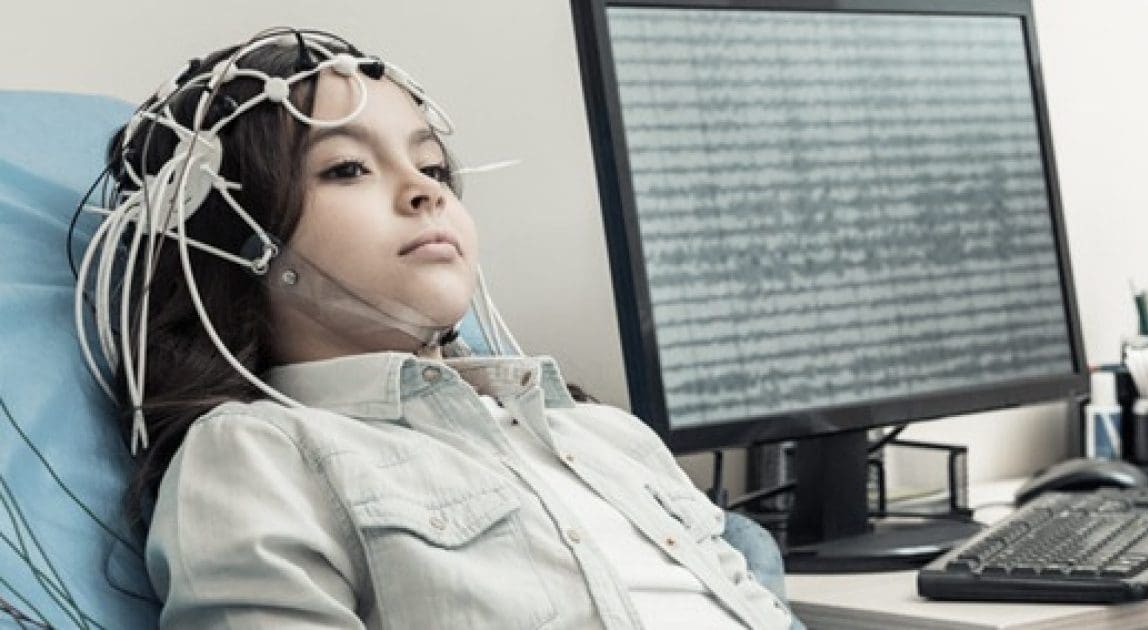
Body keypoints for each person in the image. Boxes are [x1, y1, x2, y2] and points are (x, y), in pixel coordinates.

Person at [74, 28, 799, 629]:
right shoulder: (256, 452)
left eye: (431, 163)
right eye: (349, 168)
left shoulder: (606, 436)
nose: (425, 189)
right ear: (237, 241)